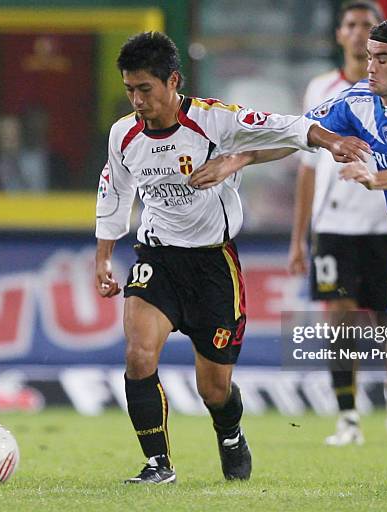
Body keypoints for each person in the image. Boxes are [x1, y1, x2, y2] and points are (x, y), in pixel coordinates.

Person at [192, 16, 387, 487]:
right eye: (369, 56)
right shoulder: (356, 102)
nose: (371, 66)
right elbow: (298, 134)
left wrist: (377, 178)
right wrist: (240, 157)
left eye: (382, 58)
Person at [94, 31, 370, 484]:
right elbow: (114, 194)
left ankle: (230, 433)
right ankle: (158, 464)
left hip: (212, 266)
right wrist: (104, 258)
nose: (137, 100)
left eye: (145, 88)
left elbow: (288, 126)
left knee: (214, 388)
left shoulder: (214, 120)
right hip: (157, 258)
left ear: (172, 81)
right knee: (139, 356)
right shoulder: (123, 135)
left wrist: (330, 140)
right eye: (130, 89)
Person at [289, 0, 387, 447]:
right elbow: (306, 168)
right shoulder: (321, 88)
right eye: (352, 25)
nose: (360, 33)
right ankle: (348, 419)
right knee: (339, 321)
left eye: (369, 26)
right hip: (335, 228)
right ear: (340, 34)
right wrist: (298, 239)